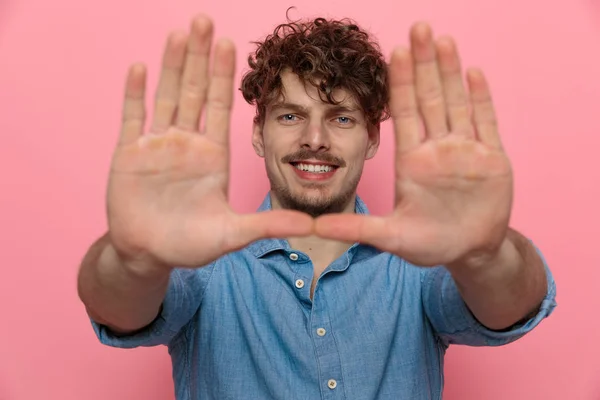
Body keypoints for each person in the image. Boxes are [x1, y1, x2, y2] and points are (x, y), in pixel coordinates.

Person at [77, 12, 557, 400]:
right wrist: (134, 258)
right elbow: (119, 306)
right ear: (257, 132)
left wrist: (483, 255)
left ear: (371, 139)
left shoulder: (422, 264)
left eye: (341, 118)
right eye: (291, 115)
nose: (314, 139)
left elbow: (509, 306)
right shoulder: (200, 265)